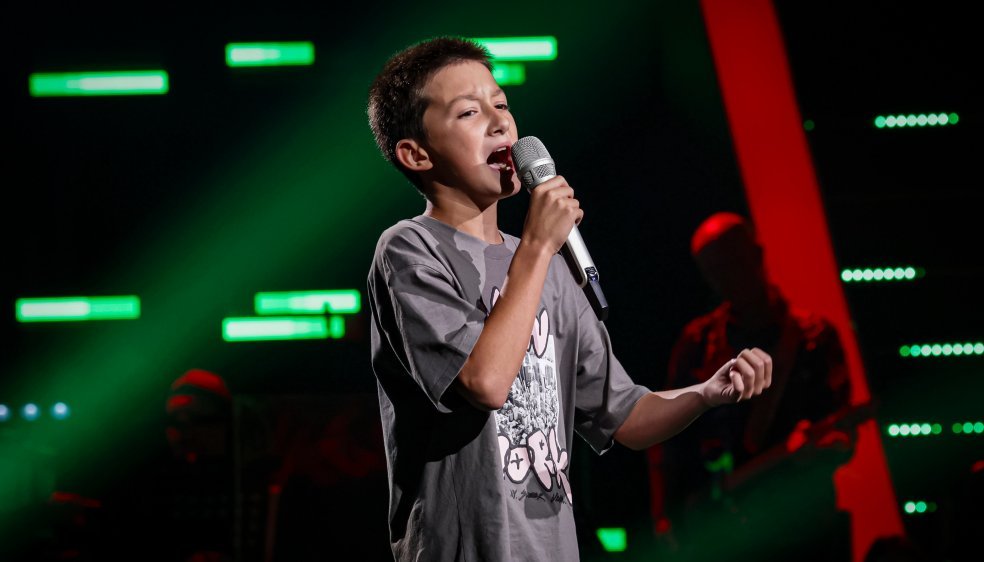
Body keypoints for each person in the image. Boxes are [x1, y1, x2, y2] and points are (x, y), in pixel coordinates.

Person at [365, 37, 773, 561]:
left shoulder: (549, 269)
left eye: (501, 104)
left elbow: (626, 417)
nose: (499, 122)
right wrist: (537, 248)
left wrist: (706, 392)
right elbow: (485, 383)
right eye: (469, 112)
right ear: (416, 153)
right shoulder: (410, 249)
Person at [647, 211, 855, 560]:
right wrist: (664, 515)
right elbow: (665, 437)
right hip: (721, 532)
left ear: (756, 255)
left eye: (732, 263)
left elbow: (842, 435)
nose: (725, 279)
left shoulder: (814, 339)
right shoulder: (697, 343)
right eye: (713, 271)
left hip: (801, 527)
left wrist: (821, 449)